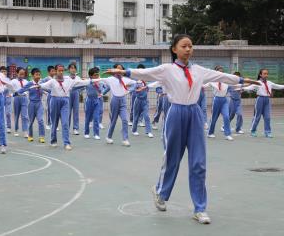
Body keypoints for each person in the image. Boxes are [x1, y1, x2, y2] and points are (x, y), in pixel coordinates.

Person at [106, 34, 259, 224]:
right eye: (184, 46)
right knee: (172, 158)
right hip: (176, 113)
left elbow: (221, 76)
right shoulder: (167, 69)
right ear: (174, 49)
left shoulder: (199, 71)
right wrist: (124, 72)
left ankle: (200, 208)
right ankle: (160, 192)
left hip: (194, 114)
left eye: (190, 46)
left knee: (198, 162)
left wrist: (243, 81)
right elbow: (146, 74)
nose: (188, 49)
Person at [38, 64, 92, 150]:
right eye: (59, 70)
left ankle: (66, 143)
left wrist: (91, 81)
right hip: (54, 101)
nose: (61, 72)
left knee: (65, 122)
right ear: (56, 71)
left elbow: (80, 82)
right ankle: (53, 140)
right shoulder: (52, 81)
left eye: (62, 70)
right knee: (54, 123)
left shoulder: (68, 80)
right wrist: (38, 85)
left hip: (65, 101)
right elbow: (43, 85)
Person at [98, 64, 136, 147]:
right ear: (114, 70)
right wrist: (88, 80)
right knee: (113, 121)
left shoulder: (125, 79)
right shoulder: (110, 79)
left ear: (122, 71)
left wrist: (130, 90)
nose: (118, 71)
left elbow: (135, 83)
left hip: (123, 101)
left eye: (120, 69)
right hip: (114, 101)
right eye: (117, 69)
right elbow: (99, 79)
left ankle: (125, 139)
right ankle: (108, 137)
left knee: (125, 120)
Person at [244, 68, 284, 138]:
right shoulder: (258, 83)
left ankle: (267, 132)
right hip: (260, 99)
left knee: (267, 117)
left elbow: (278, 86)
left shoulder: (270, 83)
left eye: (267, 74)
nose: (266, 75)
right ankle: (253, 131)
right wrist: (241, 88)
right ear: (260, 75)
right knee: (257, 116)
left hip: (267, 100)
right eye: (264, 74)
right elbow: (249, 88)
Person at [17, 68, 46, 143]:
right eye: (36, 75)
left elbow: (48, 88)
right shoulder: (30, 84)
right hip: (31, 104)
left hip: (39, 103)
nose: (38, 76)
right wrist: (13, 94)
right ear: (33, 76)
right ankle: (30, 135)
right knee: (31, 121)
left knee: (41, 120)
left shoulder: (42, 83)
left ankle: (42, 136)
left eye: (39, 74)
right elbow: (22, 89)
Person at [206, 66, 235, 141]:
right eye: (219, 72)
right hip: (216, 100)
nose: (221, 73)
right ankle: (210, 133)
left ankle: (227, 134)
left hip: (224, 100)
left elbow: (234, 84)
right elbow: (204, 86)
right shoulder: (212, 81)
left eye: (222, 72)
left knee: (226, 116)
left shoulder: (226, 81)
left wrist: (243, 85)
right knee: (214, 118)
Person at [83, 67, 106, 140]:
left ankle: (96, 134)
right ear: (91, 76)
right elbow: (78, 87)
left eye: (98, 75)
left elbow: (104, 89)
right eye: (95, 75)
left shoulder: (100, 82)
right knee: (88, 117)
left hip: (97, 100)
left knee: (96, 117)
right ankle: (86, 133)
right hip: (89, 100)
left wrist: (101, 91)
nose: (97, 76)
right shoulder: (87, 82)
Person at [131, 65, 154, 138]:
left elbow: (151, 84)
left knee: (146, 116)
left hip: (145, 101)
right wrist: (136, 89)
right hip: (138, 101)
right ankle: (134, 130)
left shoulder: (146, 80)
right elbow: (133, 90)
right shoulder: (136, 81)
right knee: (136, 116)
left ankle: (149, 131)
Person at [11, 67, 29, 138]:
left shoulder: (26, 82)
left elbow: (28, 90)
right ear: (17, 73)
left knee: (24, 115)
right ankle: (16, 130)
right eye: (20, 74)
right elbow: (10, 89)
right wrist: (13, 94)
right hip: (16, 98)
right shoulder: (13, 81)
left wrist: (26, 93)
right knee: (17, 115)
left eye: (23, 74)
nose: (22, 76)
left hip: (24, 98)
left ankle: (25, 131)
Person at [67, 63, 82, 135]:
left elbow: (83, 85)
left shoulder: (78, 78)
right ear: (69, 69)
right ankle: (67, 128)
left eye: (74, 68)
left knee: (76, 112)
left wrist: (78, 91)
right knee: (68, 112)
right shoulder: (66, 78)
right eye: (71, 68)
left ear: (76, 69)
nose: (73, 69)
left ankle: (75, 128)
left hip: (76, 94)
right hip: (68, 95)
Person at [0, 66, 12, 134]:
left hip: (7, 98)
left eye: (5, 71)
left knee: (8, 113)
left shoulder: (9, 80)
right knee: (0, 113)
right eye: (2, 71)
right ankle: (0, 126)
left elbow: (12, 88)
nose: (3, 73)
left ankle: (8, 127)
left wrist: (11, 94)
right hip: (0, 97)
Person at [44, 65, 56, 130]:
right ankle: (48, 124)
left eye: (54, 71)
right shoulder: (46, 79)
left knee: (54, 110)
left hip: (55, 96)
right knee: (48, 110)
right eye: (52, 71)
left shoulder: (55, 78)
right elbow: (41, 85)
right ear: (49, 72)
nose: (54, 72)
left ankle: (53, 124)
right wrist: (46, 92)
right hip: (49, 96)